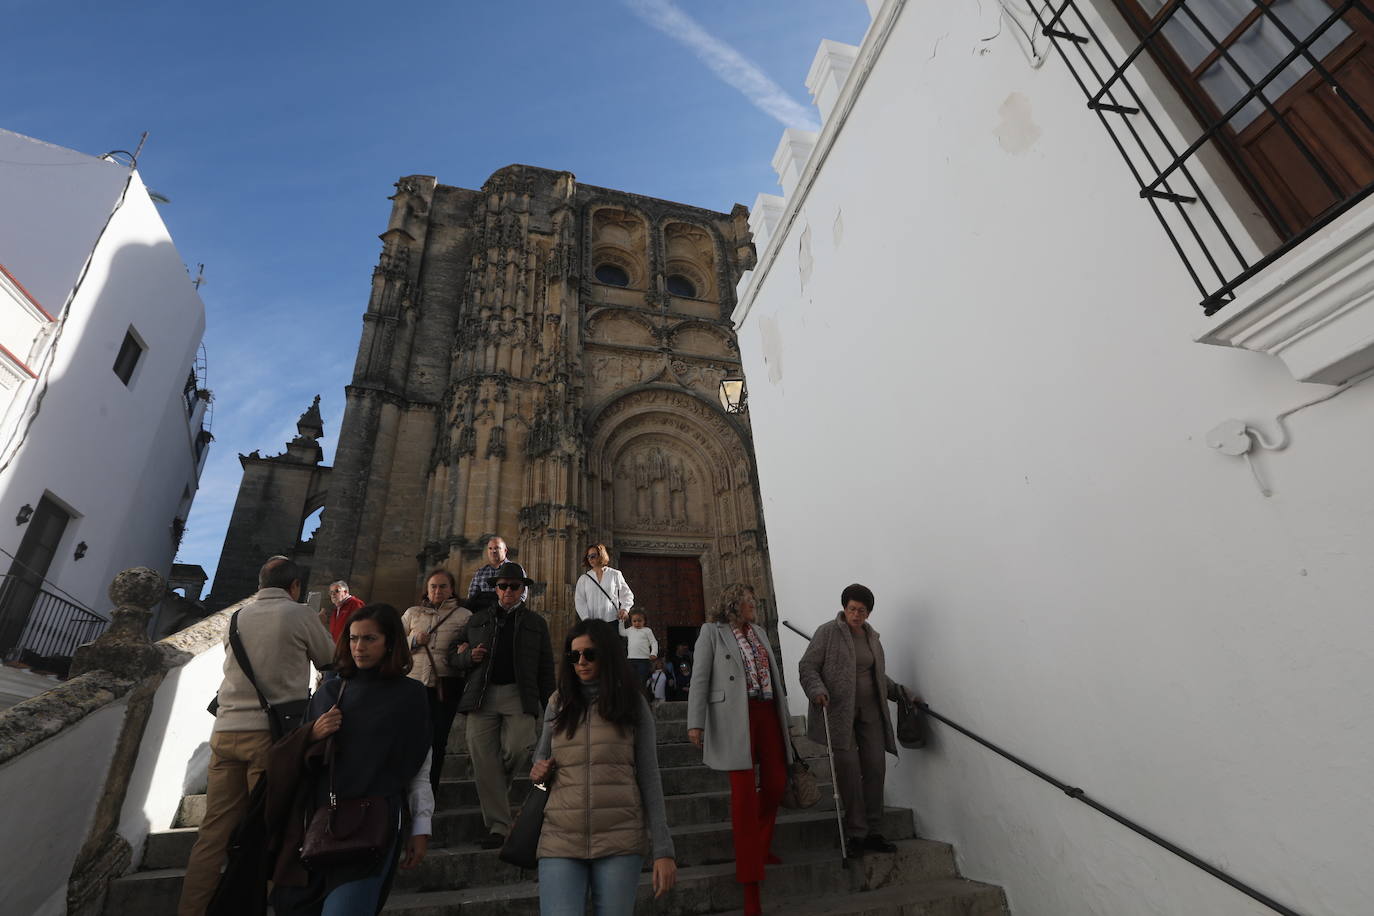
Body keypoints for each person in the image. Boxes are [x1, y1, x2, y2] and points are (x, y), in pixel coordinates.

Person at [178, 556, 335, 916]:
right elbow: (328, 658)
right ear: (294, 587)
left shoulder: (236, 617)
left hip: (225, 731)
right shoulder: (299, 614)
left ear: (261, 583)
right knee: (272, 829)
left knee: (213, 833)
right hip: (271, 737)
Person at [272, 604, 433, 916]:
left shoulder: (410, 694)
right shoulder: (328, 693)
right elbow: (296, 757)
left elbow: (418, 765)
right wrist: (312, 733)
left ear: (390, 642)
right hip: (316, 822)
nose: (359, 647)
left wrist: (421, 826)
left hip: (372, 822)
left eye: (370, 639)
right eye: (354, 639)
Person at [531, 620, 677, 915]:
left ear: (607, 655)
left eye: (590, 654)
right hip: (561, 836)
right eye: (574, 656)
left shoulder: (632, 703)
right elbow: (540, 759)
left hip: (619, 837)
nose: (581, 662)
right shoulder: (558, 703)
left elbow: (649, 776)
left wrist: (663, 850)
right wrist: (538, 770)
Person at [686, 584, 793, 916]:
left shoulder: (760, 631)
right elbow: (700, 677)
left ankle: (759, 845)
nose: (754, 605)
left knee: (776, 783)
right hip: (734, 718)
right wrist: (696, 721)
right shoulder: (712, 633)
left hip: (767, 715)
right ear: (734, 604)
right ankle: (750, 885)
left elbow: (775, 677)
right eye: (748, 602)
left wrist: (785, 718)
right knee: (744, 800)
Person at [797, 583, 912, 858]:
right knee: (848, 772)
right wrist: (816, 690)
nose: (856, 614)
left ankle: (874, 831)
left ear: (869, 613)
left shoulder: (872, 638)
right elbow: (807, 666)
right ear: (844, 608)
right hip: (839, 713)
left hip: (871, 711)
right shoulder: (828, 632)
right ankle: (856, 832)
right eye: (851, 609)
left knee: (875, 768)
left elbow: (877, 675)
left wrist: (901, 693)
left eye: (861, 610)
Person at [450, 561, 555, 849]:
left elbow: (546, 667)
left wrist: (552, 706)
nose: (508, 590)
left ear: (523, 590)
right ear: (495, 588)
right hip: (480, 695)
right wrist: (467, 657)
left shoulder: (536, 623)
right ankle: (499, 826)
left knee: (518, 747)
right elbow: (452, 655)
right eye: (503, 585)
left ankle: (494, 789)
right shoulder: (477, 620)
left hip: (518, 694)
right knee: (484, 759)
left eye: (514, 586)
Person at [401, 568, 471, 792]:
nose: (437, 590)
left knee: (438, 741)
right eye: (433, 586)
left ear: (452, 589)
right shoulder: (412, 613)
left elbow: (468, 644)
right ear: (427, 589)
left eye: (443, 586)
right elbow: (394, 643)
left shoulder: (464, 616)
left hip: (445, 685)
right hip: (413, 685)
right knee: (409, 740)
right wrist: (413, 639)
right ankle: (404, 790)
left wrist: (465, 649)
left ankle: (430, 791)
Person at [574, 543, 634, 622]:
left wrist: (625, 609)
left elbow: (627, 595)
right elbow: (579, 601)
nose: (590, 559)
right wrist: (586, 619)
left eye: (593, 556)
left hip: (612, 620)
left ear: (601, 555)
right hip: (592, 622)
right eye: (588, 557)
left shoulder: (615, 574)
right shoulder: (584, 579)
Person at [468, 536, 518, 607]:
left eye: (497, 548)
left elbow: (522, 595)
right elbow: (471, 597)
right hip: (484, 614)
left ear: (505, 550)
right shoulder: (480, 573)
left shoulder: (515, 569)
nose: (493, 551)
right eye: (490, 548)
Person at [618, 608, 658, 690]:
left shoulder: (647, 631)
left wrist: (653, 653)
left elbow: (654, 642)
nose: (637, 623)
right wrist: (621, 621)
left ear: (644, 621)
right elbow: (621, 632)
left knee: (641, 680)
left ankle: (642, 697)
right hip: (631, 659)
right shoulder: (630, 630)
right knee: (631, 680)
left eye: (639, 621)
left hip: (643, 660)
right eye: (634, 621)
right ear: (631, 621)